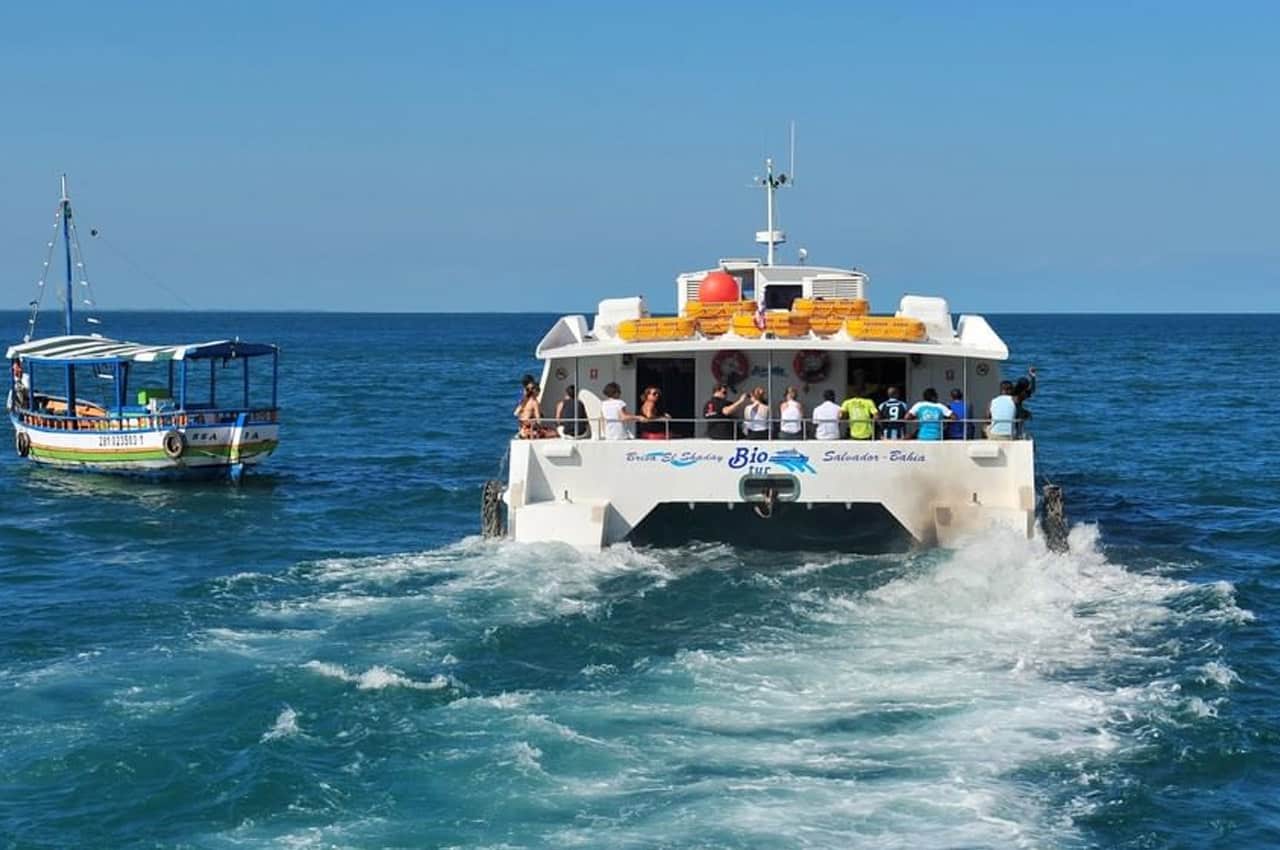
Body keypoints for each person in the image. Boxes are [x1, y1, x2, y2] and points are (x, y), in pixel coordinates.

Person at [1014, 366, 1037, 437]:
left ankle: (1017, 433)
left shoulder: (1013, 391)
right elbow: (1032, 389)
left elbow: (1032, 389)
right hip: (1015, 412)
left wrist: (1033, 377)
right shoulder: (1018, 394)